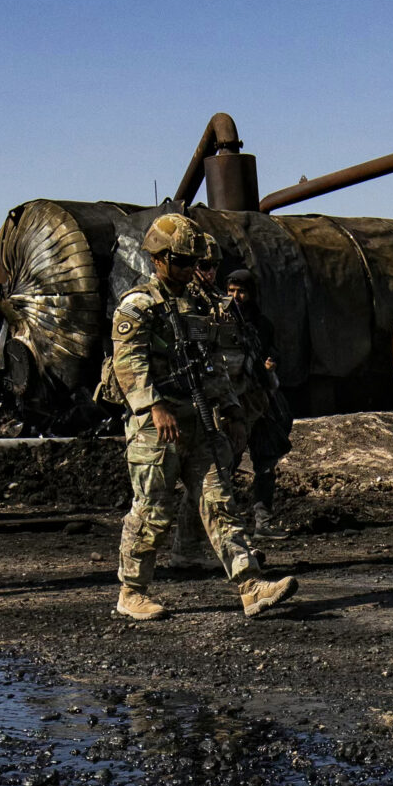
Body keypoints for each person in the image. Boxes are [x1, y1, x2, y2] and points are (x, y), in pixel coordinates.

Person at [105, 212, 295, 621]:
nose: (192, 270)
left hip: (199, 418)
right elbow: (129, 364)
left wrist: (228, 403)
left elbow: (211, 363)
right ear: (159, 258)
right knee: (153, 508)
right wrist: (154, 406)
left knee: (219, 499)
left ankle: (249, 584)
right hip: (156, 425)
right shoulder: (139, 305)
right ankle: (132, 590)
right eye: (184, 262)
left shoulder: (197, 304)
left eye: (195, 262)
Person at [223, 267, 294, 525]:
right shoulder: (221, 323)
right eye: (231, 291)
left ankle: (263, 518)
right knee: (226, 463)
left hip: (259, 401)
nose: (235, 297)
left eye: (241, 291)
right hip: (234, 403)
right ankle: (223, 521)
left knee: (265, 462)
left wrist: (270, 363)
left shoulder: (261, 324)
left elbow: (271, 349)